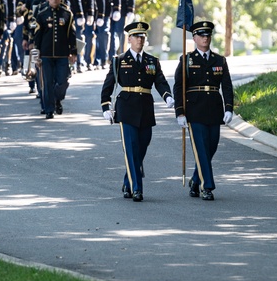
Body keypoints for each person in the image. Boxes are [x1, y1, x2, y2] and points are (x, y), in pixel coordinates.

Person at [100, 21, 175, 202]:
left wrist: (167, 96)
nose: (140, 40)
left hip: (146, 108)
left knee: (142, 147)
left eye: (142, 36)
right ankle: (136, 188)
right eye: (136, 36)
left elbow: (160, 81)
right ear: (129, 39)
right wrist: (105, 106)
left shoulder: (152, 61)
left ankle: (127, 182)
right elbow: (108, 85)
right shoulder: (119, 60)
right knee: (131, 148)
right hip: (126, 109)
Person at [173, 20, 234, 200]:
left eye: (207, 35)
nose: (205, 38)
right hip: (195, 110)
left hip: (214, 109)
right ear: (194, 38)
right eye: (201, 35)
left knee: (210, 147)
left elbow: (227, 86)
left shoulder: (219, 60)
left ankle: (195, 180)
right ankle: (207, 186)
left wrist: (229, 108)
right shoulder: (186, 60)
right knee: (201, 149)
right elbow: (178, 87)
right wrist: (180, 112)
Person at [30, 0, 77, 119]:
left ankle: (57, 99)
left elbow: (72, 34)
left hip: (62, 54)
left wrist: (73, 52)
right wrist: (36, 55)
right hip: (46, 54)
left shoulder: (67, 13)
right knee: (47, 82)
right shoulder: (42, 14)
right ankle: (49, 109)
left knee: (63, 81)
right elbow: (37, 36)